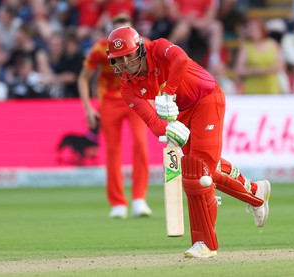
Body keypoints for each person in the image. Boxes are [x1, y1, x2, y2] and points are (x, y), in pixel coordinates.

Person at [106, 26, 271, 258]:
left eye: (128, 56)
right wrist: (169, 131)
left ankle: (205, 243)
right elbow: (153, 122)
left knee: (196, 173)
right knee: (206, 169)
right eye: (118, 60)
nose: (125, 64)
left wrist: (168, 94)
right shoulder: (128, 87)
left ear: (140, 50)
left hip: (206, 98)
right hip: (181, 112)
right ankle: (256, 192)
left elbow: (181, 60)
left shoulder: (159, 47)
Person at [78, 14, 151, 219]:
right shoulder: (101, 49)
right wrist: (88, 108)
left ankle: (139, 199)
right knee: (112, 151)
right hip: (110, 102)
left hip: (136, 100)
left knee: (140, 145)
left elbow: (157, 68)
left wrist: (155, 97)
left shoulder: (142, 45)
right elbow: (83, 78)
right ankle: (118, 202)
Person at [234, 17, 286, 94]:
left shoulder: (273, 44)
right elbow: (239, 69)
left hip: (272, 89)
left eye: (253, 30)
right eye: (249, 29)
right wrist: (259, 71)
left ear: (261, 30)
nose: (250, 32)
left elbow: (280, 65)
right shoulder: (246, 46)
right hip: (252, 90)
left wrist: (262, 70)